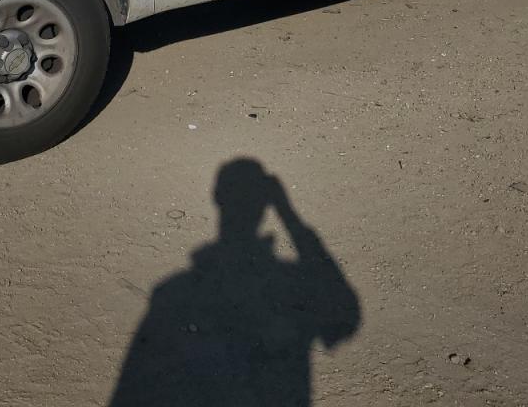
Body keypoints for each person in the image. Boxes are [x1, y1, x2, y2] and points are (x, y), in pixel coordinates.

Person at [109, 158, 360, 406]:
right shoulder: (288, 280)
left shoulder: (172, 291)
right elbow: (344, 316)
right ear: (265, 205)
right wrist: (286, 211)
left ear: (216, 198)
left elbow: (133, 383)